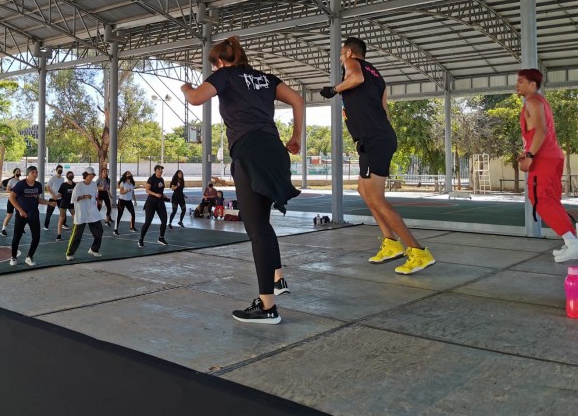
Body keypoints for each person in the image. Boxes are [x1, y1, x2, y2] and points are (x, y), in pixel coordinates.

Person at [182, 35, 302, 324]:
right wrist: (296, 136)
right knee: (263, 222)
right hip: (274, 150)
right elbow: (298, 99)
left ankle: (267, 308)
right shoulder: (265, 78)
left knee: (256, 228)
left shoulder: (226, 75)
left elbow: (197, 98)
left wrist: (186, 87)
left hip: (249, 152)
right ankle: (277, 279)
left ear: (220, 61)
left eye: (215, 63)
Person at [319, 36, 435, 275]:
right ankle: (391, 243)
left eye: (342, 54)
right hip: (376, 138)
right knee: (364, 191)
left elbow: (356, 78)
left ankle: (418, 251)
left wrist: (333, 89)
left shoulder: (354, 65)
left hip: (374, 139)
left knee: (377, 199)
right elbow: (384, 110)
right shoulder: (378, 76)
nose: (341, 58)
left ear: (350, 52)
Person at [516, 68, 578, 262]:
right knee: (549, 199)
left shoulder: (533, 101)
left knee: (541, 199)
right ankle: (572, 240)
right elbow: (539, 132)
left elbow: (541, 131)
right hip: (551, 157)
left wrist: (531, 156)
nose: (516, 85)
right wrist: (527, 152)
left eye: (521, 81)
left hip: (543, 158)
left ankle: (573, 243)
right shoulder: (540, 102)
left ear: (532, 85)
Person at [8, 166, 50, 266]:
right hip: (21, 215)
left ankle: (29, 257)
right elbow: (11, 198)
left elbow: (37, 199)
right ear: (28, 174)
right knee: (17, 237)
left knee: (36, 236)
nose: (35, 174)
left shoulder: (38, 185)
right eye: (33, 172)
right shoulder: (21, 184)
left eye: (36, 172)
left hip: (34, 214)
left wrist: (49, 203)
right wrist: (20, 210)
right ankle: (13, 257)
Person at [66, 167, 104, 260]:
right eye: (90, 175)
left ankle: (94, 249)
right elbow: (73, 199)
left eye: (93, 175)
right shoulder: (79, 186)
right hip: (81, 213)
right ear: (86, 175)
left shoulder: (94, 184)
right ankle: (69, 253)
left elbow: (95, 196)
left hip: (92, 213)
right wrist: (84, 196)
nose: (92, 177)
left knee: (99, 231)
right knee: (76, 235)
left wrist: (98, 202)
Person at [137, 165, 168, 248]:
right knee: (148, 222)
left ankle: (161, 238)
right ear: (155, 170)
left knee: (164, 220)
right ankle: (141, 239)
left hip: (160, 202)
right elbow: (147, 190)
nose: (160, 171)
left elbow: (160, 191)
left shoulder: (161, 179)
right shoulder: (151, 179)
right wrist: (155, 194)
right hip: (151, 202)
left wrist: (165, 196)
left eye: (161, 169)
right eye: (159, 169)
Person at [113, 171, 137, 236]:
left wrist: (135, 200)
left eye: (130, 173)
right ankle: (115, 230)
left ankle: (132, 227)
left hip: (129, 201)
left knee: (133, 213)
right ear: (125, 175)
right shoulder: (123, 183)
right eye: (127, 173)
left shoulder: (132, 184)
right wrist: (126, 190)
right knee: (120, 215)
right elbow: (121, 192)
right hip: (122, 201)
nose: (129, 174)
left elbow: (133, 193)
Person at [0, 168, 22, 236]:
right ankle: (3, 230)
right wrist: (14, 193)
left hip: (19, 201)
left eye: (19, 171)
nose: (18, 172)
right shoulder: (11, 181)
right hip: (11, 200)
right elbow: (7, 190)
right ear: (14, 173)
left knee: (20, 215)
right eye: (17, 171)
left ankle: (19, 228)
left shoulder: (21, 182)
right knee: (9, 215)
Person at [56, 170, 76, 241]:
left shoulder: (75, 185)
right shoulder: (63, 185)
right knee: (61, 219)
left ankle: (74, 234)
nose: (71, 175)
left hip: (72, 204)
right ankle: (59, 235)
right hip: (64, 203)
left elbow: (77, 194)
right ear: (67, 176)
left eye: (72, 174)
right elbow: (60, 193)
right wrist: (56, 196)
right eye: (69, 174)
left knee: (75, 218)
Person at [43, 165, 64, 231]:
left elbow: (62, 188)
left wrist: (59, 195)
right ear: (56, 170)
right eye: (59, 169)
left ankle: (63, 224)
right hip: (53, 198)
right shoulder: (53, 178)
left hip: (60, 198)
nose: (60, 170)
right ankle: (46, 225)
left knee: (62, 212)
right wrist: (53, 195)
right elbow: (48, 187)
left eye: (61, 169)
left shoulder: (62, 178)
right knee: (49, 213)